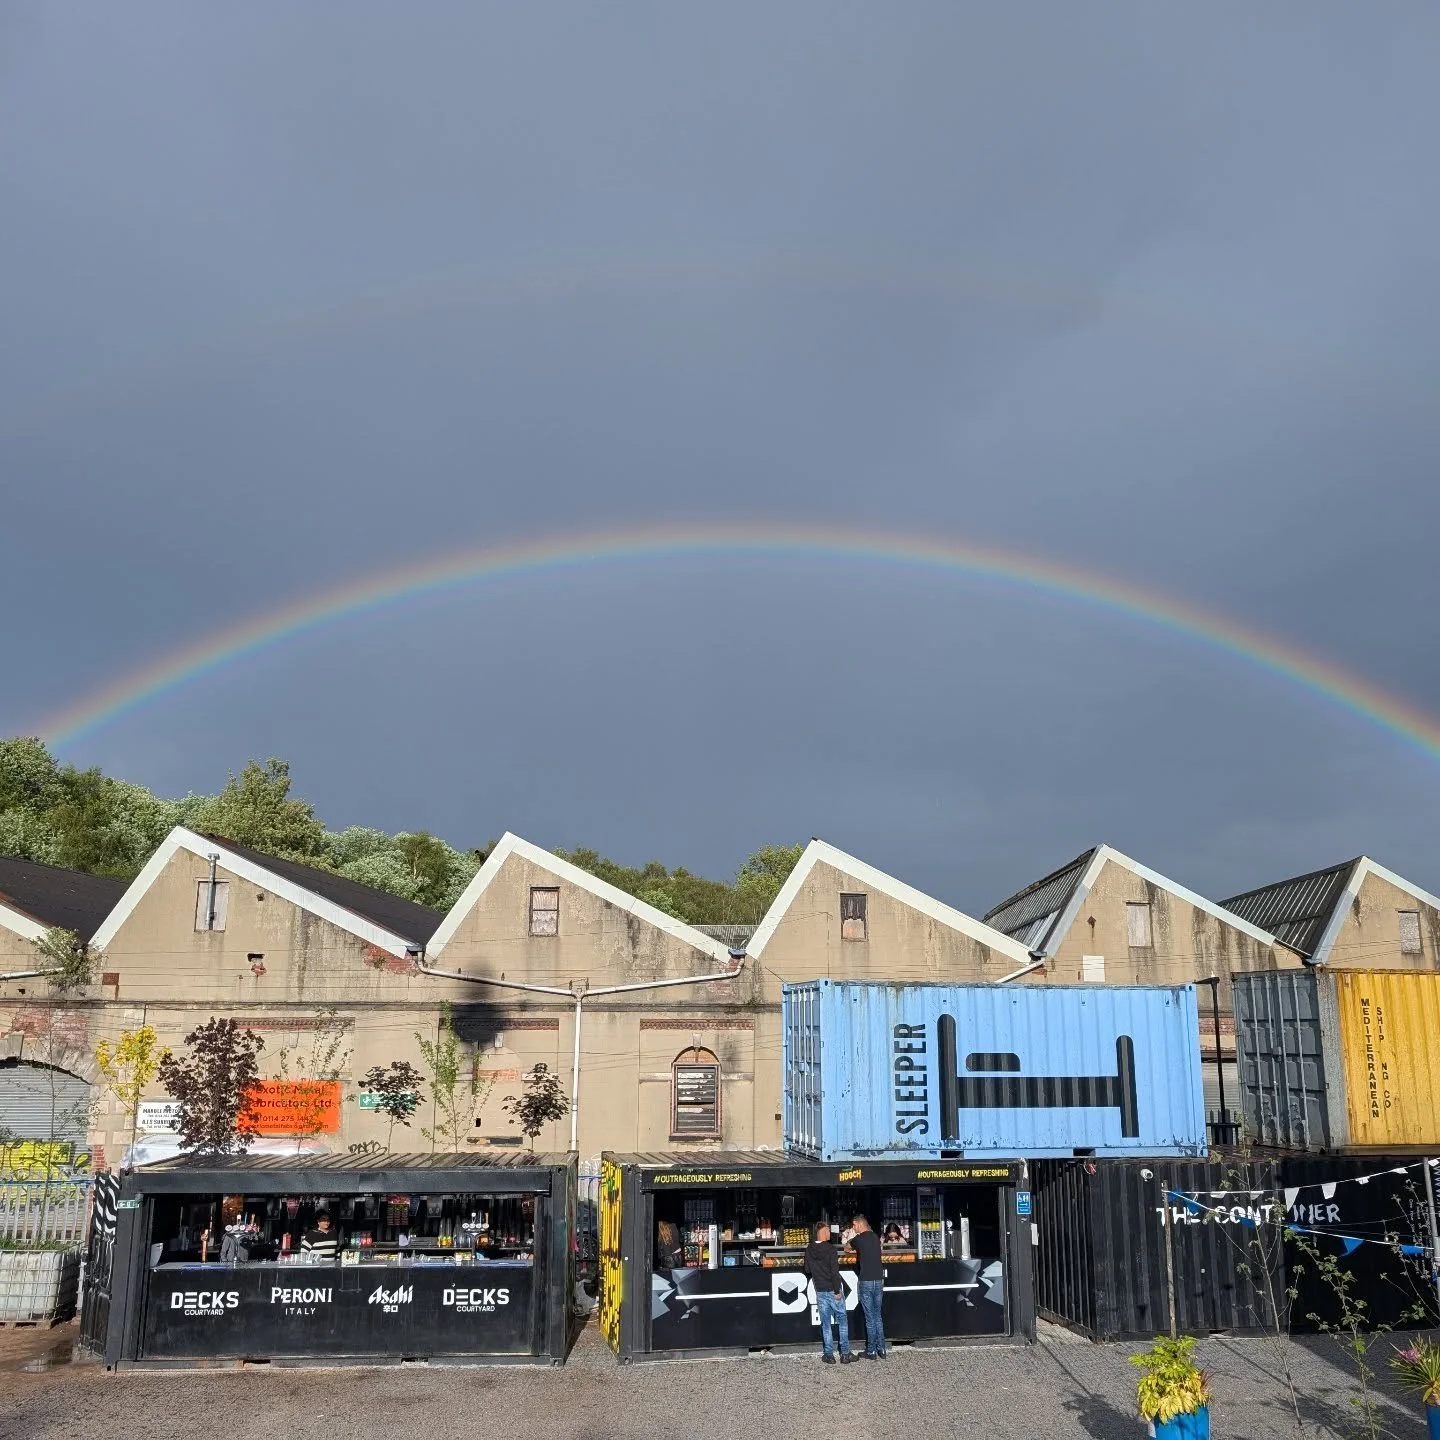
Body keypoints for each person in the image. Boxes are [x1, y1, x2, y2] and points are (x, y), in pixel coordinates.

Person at [803, 1221, 853, 1364]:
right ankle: (844, 1354)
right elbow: (834, 1272)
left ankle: (829, 1355)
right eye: (828, 1231)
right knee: (842, 1321)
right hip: (833, 1289)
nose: (830, 1234)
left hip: (820, 1290)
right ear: (823, 1232)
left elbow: (807, 1269)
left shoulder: (809, 1248)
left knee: (826, 1324)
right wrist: (837, 1290)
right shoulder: (831, 1249)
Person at [849, 1214, 887, 1359]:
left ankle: (871, 1351)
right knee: (878, 1317)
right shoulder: (875, 1237)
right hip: (878, 1279)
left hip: (866, 1280)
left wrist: (852, 1239)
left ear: (858, 1224)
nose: (853, 1228)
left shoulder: (858, 1239)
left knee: (870, 1318)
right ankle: (882, 1349)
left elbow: (846, 1248)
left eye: (854, 1226)